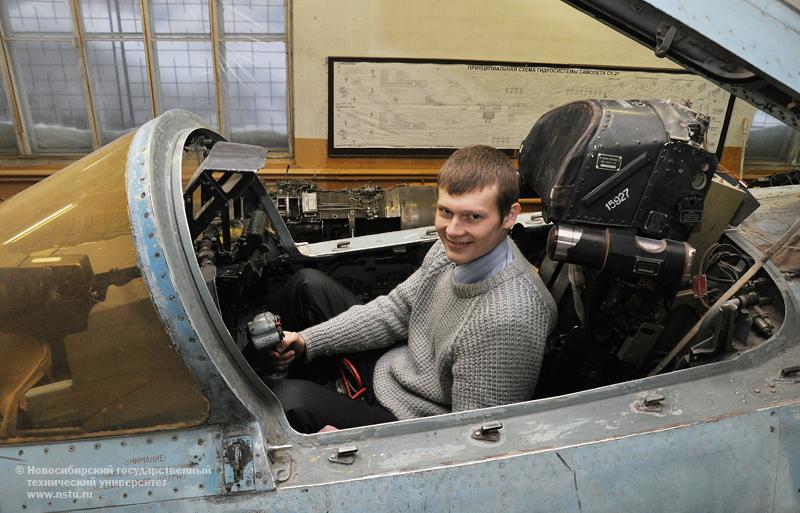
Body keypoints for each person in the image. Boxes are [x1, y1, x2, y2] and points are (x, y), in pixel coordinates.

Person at [269, 145, 557, 433]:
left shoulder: (507, 320)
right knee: (306, 286)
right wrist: (308, 341)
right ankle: (292, 373)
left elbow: (471, 440)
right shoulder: (452, 251)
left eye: (473, 217)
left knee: (283, 401)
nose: (453, 231)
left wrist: (362, 455)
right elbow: (397, 310)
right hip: (397, 370)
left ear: (509, 216)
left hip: (410, 422)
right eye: (446, 211)